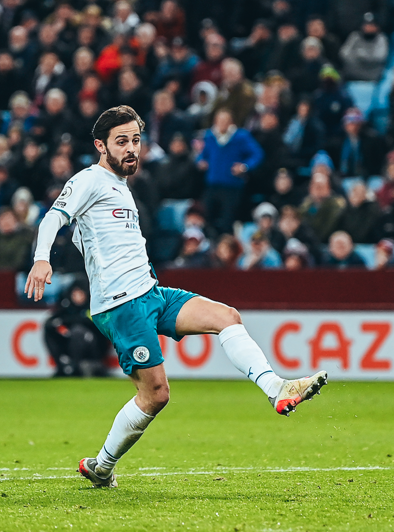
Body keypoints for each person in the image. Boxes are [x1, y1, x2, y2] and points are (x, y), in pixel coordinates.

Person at [24, 105, 327, 488]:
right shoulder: (89, 180)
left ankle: (276, 389)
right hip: (121, 305)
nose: (131, 148)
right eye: (121, 142)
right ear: (100, 145)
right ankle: (102, 465)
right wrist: (41, 259)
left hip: (150, 292)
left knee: (227, 316)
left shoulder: (123, 187)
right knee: (156, 395)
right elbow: (53, 216)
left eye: (136, 140)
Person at [44, 278, 111, 377]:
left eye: (80, 294)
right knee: (51, 330)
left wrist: (68, 322)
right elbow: (52, 321)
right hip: (68, 342)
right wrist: (60, 327)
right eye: (75, 294)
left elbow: (92, 322)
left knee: (78, 332)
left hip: (93, 345)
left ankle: (84, 366)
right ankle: (62, 365)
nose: (77, 297)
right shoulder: (66, 307)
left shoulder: (93, 308)